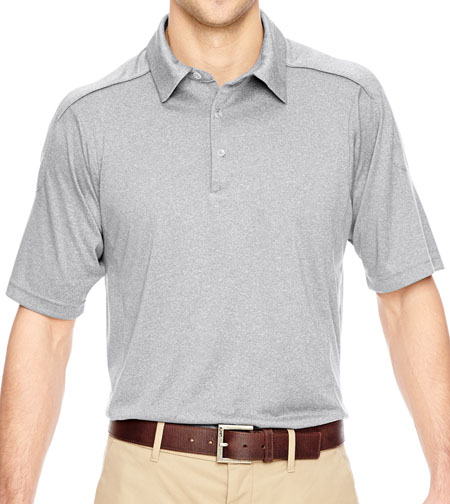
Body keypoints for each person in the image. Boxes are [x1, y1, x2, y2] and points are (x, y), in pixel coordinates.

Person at [1, 1, 449, 503]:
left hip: (309, 480)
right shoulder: (90, 119)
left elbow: (406, 295)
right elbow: (45, 327)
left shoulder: (349, 101)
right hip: (148, 481)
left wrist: (446, 474)